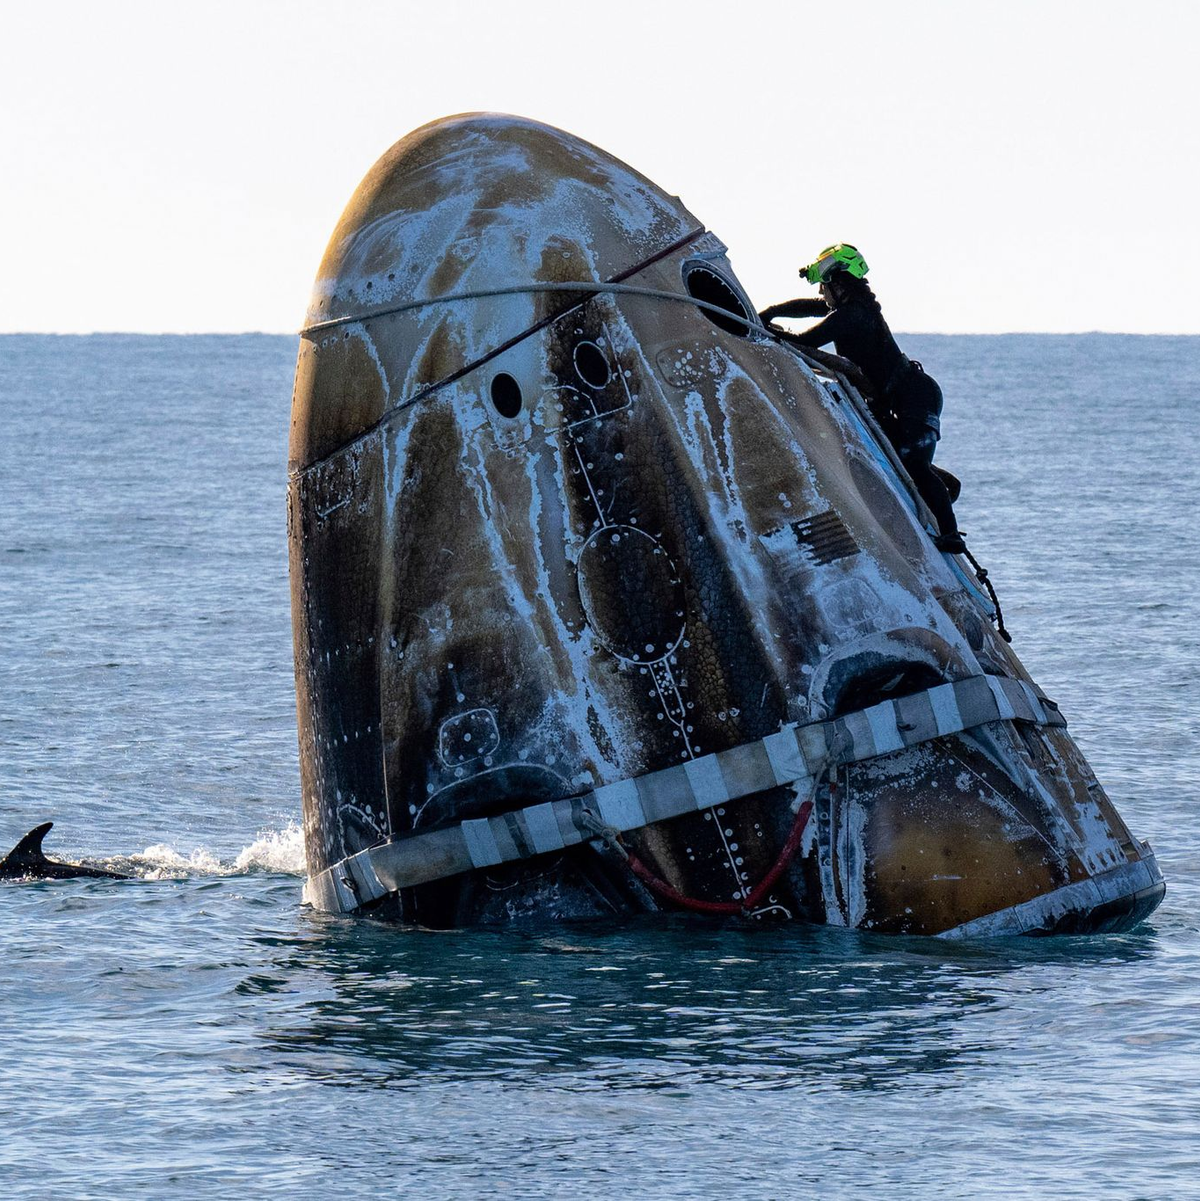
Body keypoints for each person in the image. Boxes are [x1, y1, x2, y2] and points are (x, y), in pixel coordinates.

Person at [760, 244, 965, 554]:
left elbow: (808, 341)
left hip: (917, 396)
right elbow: (810, 307)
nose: (821, 292)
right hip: (899, 399)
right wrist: (772, 312)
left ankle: (951, 536)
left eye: (824, 285)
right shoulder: (851, 307)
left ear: (838, 284)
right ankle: (947, 487)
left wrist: (768, 328)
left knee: (914, 463)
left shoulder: (853, 314)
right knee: (899, 457)